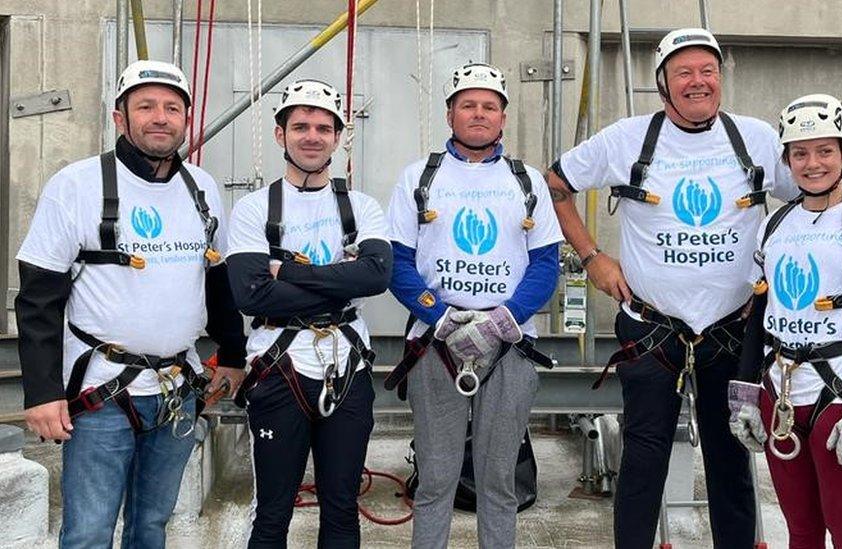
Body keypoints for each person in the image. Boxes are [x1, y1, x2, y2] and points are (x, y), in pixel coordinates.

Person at [546, 28, 798, 548]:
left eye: (708, 71)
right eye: (684, 72)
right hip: (652, 330)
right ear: (663, 85)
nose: (698, 81)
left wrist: (777, 279)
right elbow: (555, 184)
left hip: (732, 332)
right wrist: (592, 258)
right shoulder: (627, 138)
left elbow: (811, 200)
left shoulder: (756, 139)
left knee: (731, 460)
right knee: (642, 460)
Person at [14, 59, 246, 548]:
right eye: (146, 107)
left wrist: (233, 354)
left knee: (151, 525)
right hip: (101, 394)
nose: (160, 117)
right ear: (120, 117)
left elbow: (217, 278)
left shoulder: (201, 189)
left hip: (176, 390)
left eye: (172, 107)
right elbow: (38, 298)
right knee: (89, 532)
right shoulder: (75, 186)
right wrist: (40, 392)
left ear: (186, 118)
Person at [384, 62, 562, 549]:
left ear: (503, 117)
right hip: (435, 342)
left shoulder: (526, 181)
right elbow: (398, 262)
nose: (479, 114)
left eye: (489, 106)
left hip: (509, 346)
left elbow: (546, 263)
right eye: (468, 105)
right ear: (450, 115)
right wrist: (438, 316)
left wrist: (505, 319)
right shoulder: (419, 177)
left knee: (499, 483)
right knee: (436, 480)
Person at [729, 94, 842, 548]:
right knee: (802, 532)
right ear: (787, 160)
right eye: (800, 153)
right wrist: (747, 392)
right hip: (782, 396)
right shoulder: (773, 225)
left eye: (825, 150)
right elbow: (758, 317)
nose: (813, 164)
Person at [225, 78, 391, 549]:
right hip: (280, 369)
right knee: (273, 512)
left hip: (348, 368)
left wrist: (288, 272)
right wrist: (340, 282)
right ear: (280, 134)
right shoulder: (254, 209)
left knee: (341, 507)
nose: (312, 136)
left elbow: (376, 276)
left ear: (338, 137)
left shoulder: (361, 207)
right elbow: (252, 296)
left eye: (323, 127)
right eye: (300, 126)